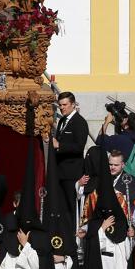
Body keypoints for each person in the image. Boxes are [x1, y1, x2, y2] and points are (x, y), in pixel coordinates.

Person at [53, 93, 89, 223]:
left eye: (65, 105)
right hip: (60, 172)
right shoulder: (62, 120)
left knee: (71, 208)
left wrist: (59, 145)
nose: (62, 108)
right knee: (61, 208)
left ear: (73, 104)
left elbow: (79, 146)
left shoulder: (80, 122)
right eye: (60, 105)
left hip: (72, 173)